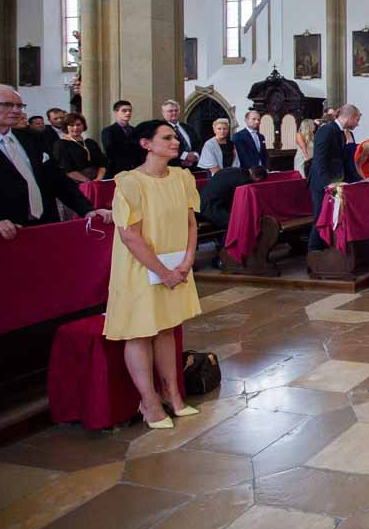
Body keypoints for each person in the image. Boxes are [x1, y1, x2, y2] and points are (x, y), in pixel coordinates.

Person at [104, 120, 201, 429]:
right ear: (146, 144)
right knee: (140, 331)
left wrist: (186, 264)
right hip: (140, 267)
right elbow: (130, 235)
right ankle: (149, 402)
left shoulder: (182, 178)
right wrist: (163, 271)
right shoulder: (131, 182)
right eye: (167, 137)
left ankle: (173, 395)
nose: (175, 142)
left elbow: (190, 224)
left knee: (167, 328)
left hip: (175, 267)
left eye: (175, 137)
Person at [0, 84, 111, 237]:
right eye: (7, 104)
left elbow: (57, 179)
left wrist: (88, 210)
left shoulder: (32, 138)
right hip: (1, 233)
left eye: (19, 105)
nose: (16, 110)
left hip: (45, 226)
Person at [308, 104, 363, 251]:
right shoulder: (326, 130)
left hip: (336, 183)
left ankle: (330, 253)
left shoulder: (340, 132)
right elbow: (319, 161)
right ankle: (314, 254)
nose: (358, 123)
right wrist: (328, 184)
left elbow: (345, 162)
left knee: (334, 217)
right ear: (350, 117)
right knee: (321, 218)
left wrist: (360, 180)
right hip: (322, 184)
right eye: (357, 119)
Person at [198, 165, 267, 231]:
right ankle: (226, 243)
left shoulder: (232, 170)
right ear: (258, 179)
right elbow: (240, 203)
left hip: (200, 203)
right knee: (236, 224)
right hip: (212, 208)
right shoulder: (244, 181)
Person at [55, 112, 108, 182]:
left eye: (78, 125)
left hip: (97, 181)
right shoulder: (61, 144)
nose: (75, 128)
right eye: (71, 125)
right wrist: (88, 181)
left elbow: (102, 163)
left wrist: (98, 179)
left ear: (83, 125)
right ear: (66, 127)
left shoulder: (90, 142)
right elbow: (67, 169)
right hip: (75, 183)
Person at [101, 100, 143, 177]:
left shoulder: (135, 130)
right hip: (116, 171)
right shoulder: (108, 131)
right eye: (124, 111)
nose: (128, 113)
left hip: (135, 170)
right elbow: (110, 151)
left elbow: (140, 151)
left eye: (130, 111)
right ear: (116, 112)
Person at [160, 100, 200, 169]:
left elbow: (198, 144)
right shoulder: (160, 128)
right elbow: (164, 146)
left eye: (176, 110)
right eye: (170, 111)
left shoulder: (187, 127)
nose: (174, 113)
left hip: (193, 168)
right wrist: (185, 156)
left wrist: (195, 155)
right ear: (163, 113)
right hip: (171, 167)